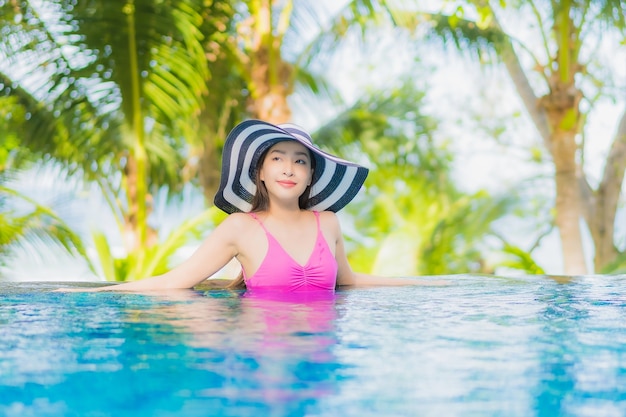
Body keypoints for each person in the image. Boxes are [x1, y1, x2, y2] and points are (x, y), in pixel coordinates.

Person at [61, 119, 428, 292]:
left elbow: (347, 280)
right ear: (261, 173)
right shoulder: (240, 228)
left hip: (321, 360)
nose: (289, 168)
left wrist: (422, 285)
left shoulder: (327, 222)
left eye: (301, 161)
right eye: (278, 159)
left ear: (310, 174)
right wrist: (99, 296)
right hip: (261, 359)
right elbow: (176, 281)